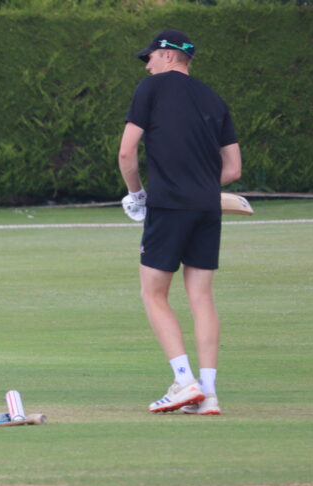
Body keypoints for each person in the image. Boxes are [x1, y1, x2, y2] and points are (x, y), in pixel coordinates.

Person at [117, 29, 241, 415]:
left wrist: (137, 195)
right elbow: (233, 168)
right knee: (201, 297)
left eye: (151, 57)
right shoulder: (214, 98)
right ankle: (209, 393)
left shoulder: (151, 89)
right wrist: (200, 186)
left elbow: (126, 153)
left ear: (169, 55)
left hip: (168, 206)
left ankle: (184, 382)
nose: (147, 65)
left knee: (153, 294)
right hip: (207, 208)